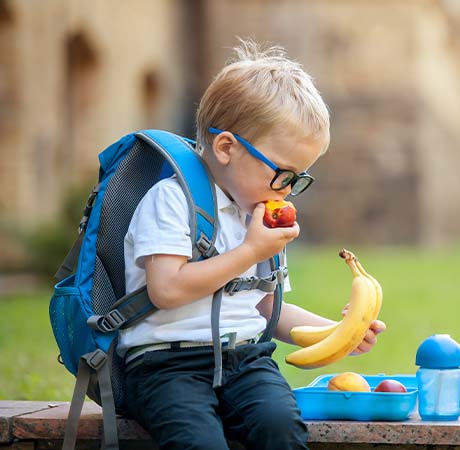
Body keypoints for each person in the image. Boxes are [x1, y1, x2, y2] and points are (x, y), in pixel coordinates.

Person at [118, 39, 386, 450]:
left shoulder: (258, 214)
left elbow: (266, 308)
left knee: (281, 427)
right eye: (283, 173)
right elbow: (166, 288)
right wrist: (249, 252)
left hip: (245, 360)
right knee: (199, 443)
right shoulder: (172, 200)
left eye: (298, 178)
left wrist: (340, 333)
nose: (287, 190)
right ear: (226, 148)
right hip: (165, 365)